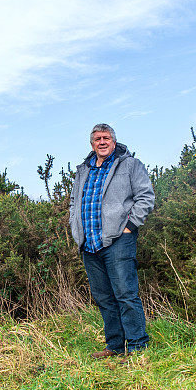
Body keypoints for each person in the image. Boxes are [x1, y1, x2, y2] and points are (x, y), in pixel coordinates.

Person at [69, 124, 155, 358]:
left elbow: (145, 197)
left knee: (126, 294)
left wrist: (130, 228)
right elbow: (74, 203)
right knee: (104, 298)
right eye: (97, 138)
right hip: (89, 244)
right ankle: (115, 346)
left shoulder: (130, 165)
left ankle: (138, 347)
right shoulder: (83, 170)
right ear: (92, 144)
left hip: (118, 240)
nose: (102, 141)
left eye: (106, 137)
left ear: (114, 142)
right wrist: (76, 230)